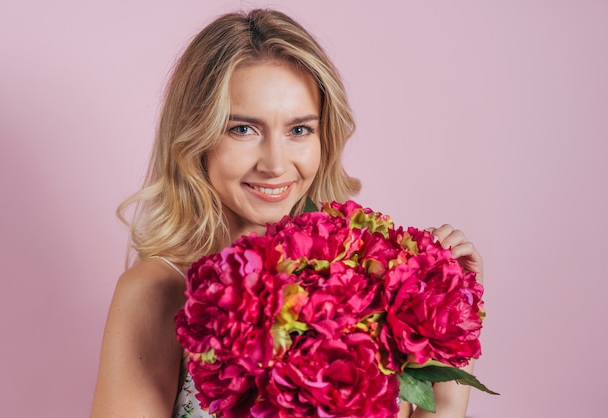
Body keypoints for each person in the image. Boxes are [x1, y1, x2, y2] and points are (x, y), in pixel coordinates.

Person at [90, 9, 484, 418]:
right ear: (196, 137)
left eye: (299, 130)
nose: (275, 165)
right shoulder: (157, 291)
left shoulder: (364, 277)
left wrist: (451, 317)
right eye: (243, 129)